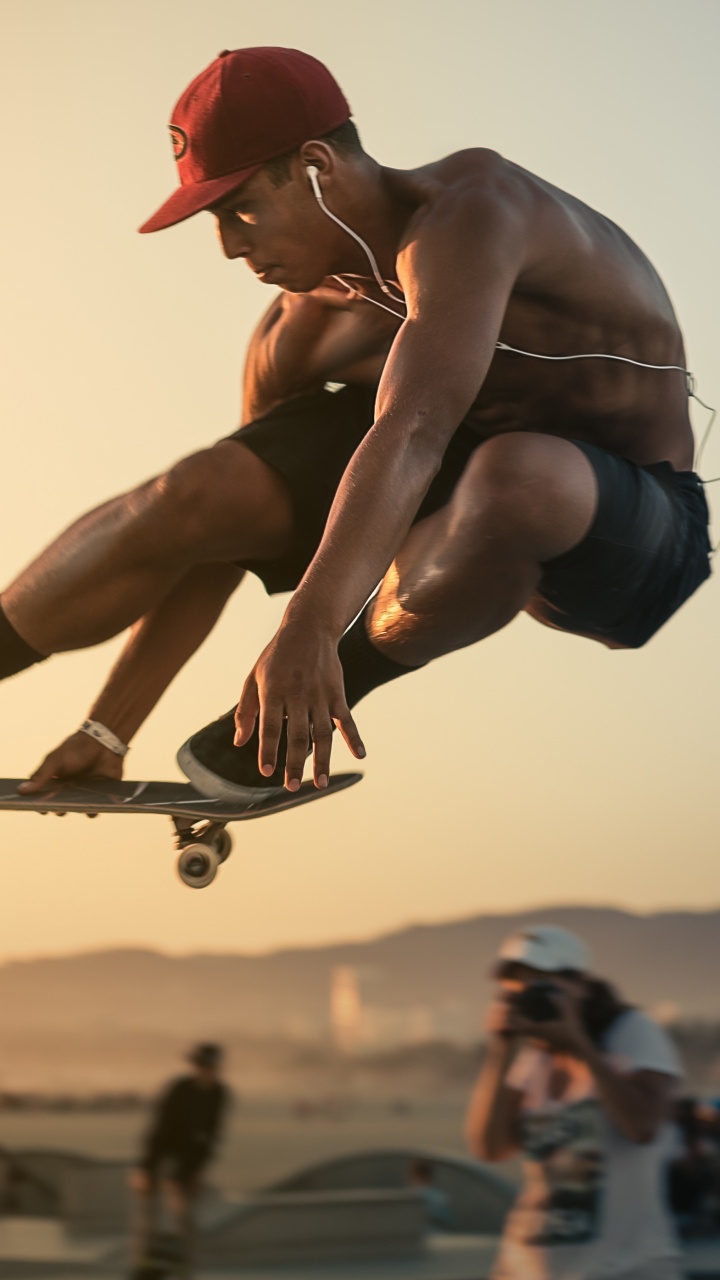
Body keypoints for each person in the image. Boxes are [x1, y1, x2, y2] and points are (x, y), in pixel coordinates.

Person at [2, 47, 711, 799]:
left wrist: (307, 631)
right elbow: (223, 539)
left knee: (518, 471)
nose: (229, 247)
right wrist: (108, 729)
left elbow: (415, 427)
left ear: (317, 166)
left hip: (635, 532)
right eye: (215, 220)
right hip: (448, 502)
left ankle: (305, 708)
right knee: (208, 486)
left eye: (242, 209)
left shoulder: (474, 214)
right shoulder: (297, 334)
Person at [465, 925, 684, 1280]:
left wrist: (579, 1046)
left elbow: (642, 1127)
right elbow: (491, 1147)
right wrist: (502, 1049)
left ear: (580, 984)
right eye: (515, 989)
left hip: (627, 1267)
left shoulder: (631, 1032)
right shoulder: (533, 1056)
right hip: (526, 1267)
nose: (527, 997)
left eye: (540, 985)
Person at [130, 1043, 230, 1277]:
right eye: (200, 1066)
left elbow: (211, 1136)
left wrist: (197, 1172)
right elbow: (159, 1130)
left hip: (190, 1160)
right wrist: (146, 1169)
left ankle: (185, 1269)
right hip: (162, 1154)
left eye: (208, 1067)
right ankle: (143, 1266)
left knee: (184, 1218)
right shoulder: (179, 1089)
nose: (204, 1071)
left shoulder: (219, 1094)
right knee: (148, 1216)